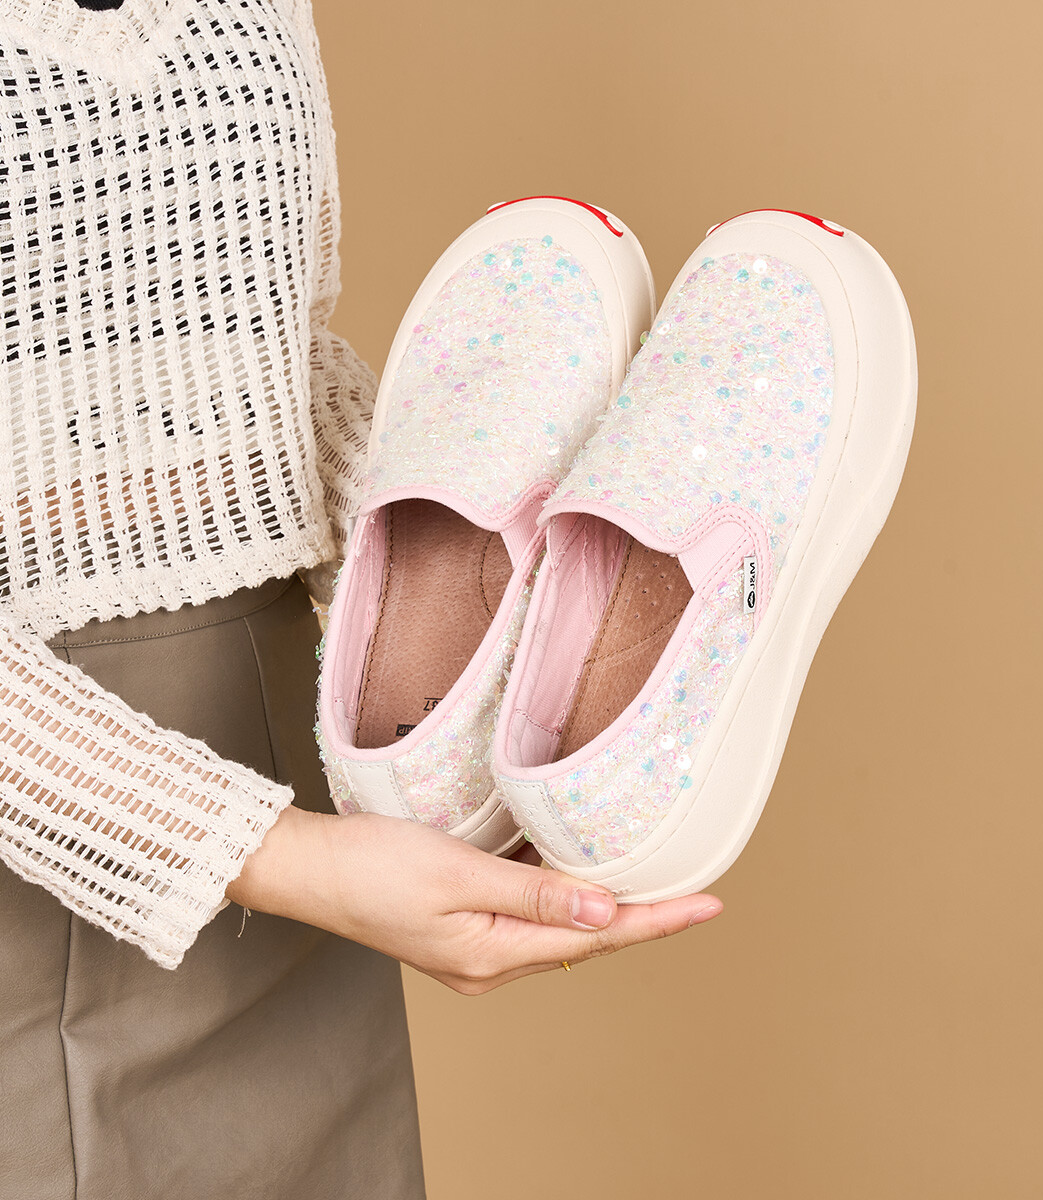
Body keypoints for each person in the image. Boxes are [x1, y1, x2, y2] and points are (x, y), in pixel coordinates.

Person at [0, 1, 721, 1196]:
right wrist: (267, 854)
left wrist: (468, 621)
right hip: (68, 820)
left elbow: (268, 362)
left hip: (279, 775)